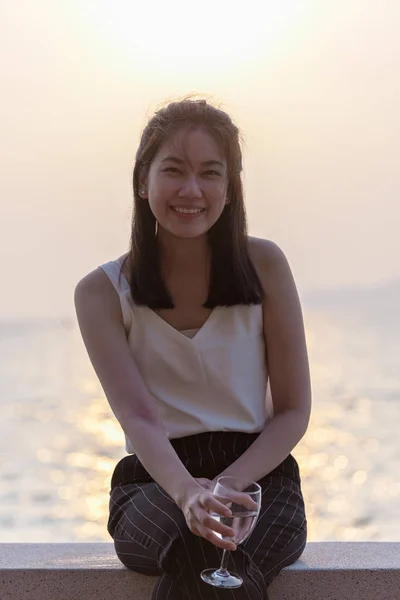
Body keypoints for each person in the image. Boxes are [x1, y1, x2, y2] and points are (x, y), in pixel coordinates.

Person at [74, 98, 311, 599]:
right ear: (144, 181)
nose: (191, 190)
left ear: (229, 188)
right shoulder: (100, 292)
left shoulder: (265, 264)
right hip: (152, 481)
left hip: (261, 475)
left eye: (210, 173)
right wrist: (188, 494)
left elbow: (292, 411)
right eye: (174, 171)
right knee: (199, 546)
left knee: (226, 560)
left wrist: (226, 487)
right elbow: (138, 417)